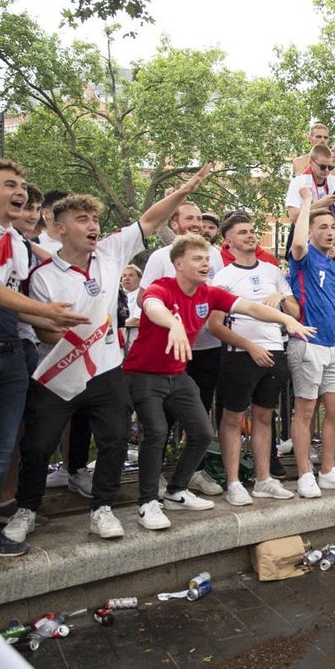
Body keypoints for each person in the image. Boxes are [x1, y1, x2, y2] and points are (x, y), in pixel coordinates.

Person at [6, 172, 210, 544]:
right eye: (82, 220)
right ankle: (27, 509)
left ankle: (102, 509)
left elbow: (150, 220)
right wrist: (68, 331)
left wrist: (184, 191)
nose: (93, 226)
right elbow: (42, 330)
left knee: (116, 440)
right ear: (59, 227)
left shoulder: (110, 252)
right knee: (37, 444)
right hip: (60, 372)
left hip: (107, 370)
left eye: (95, 219)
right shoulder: (42, 275)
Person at [125, 234, 314, 529]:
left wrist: (286, 320)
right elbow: (151, 307)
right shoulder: (163, 287)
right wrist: (172, 323)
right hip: (145, 375)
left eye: (207, 259)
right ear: (178, 264)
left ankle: (176, 489)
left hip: (178, 375)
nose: (205, 264)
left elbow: (250, 307)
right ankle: (148, 502)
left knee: (201, 432)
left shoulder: (208, 294)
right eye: (197, 259)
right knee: (157, 431)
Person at [0, 160, 85, 557]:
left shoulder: (16, 242)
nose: (21, 192)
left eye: (23, 185)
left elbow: (10, 305)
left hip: (8, 355)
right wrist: (46, 312)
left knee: (1, 446)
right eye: (10, 184)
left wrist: (58, 323)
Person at [207, 213, 300, 505]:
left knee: (264, 416)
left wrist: (280, 298)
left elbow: (295, 313)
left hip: (275, 350)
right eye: (242, 232)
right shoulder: (223, 277)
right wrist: (249, 346)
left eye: (252, 230)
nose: (250, 235)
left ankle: (263, 479)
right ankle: (233, 482)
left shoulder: (274, 271)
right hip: (240, 354)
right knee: (232, 417)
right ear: (229, 240)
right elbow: (215, 325)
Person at [140, 200, 227, 497]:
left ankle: (192, 473)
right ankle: (156, 476)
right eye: (189, 218)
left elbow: (224, 296)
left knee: (200, 414)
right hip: (168, 351)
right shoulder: (161, 257)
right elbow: (145, 298)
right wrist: (173, 321)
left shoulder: (214, 255)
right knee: (161, 419)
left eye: (199, 219)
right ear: (174, 224)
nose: (197, 223)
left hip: (207, 347)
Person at [286, 188, 335, 497]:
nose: (330, 232)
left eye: (332, 228)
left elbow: (332, 308)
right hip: (306, 342)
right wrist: (306, 203)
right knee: (305, 410)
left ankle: (327, 470)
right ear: (311, 231)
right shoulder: (303, 257)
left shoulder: (331, 265)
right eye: (323, 227)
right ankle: (304, 474)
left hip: (330, 345)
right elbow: (299, 241)